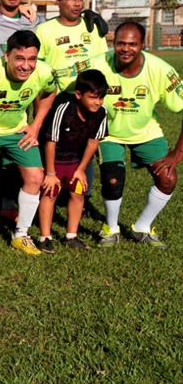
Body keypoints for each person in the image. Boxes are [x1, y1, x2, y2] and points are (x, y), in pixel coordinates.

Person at [74, 22, 183, 249]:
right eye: (121, 43)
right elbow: (57, 82)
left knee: (168, 178)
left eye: (133, 44)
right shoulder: (96, 64)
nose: (126, 49)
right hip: (108, 133)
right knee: (113, 180)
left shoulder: (161, 69)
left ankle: (141, 228)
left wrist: (177, 154)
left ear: (143, 45)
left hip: (146, 131)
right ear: (114, 43)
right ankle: (111, 229)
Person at [0, 31, 57, 256]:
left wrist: (35, 125)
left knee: (35, 177)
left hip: (17, 131)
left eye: (32, 59)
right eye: (20, 59)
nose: (26, 66)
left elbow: (50, 91)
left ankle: (20, 234)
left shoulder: (45, 72)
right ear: (7, 56)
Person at [36, 69, 108, 253]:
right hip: (54, 158)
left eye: (100, 98)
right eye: (92, 97)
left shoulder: (102, 113)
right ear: (78, 94)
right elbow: (50, 143)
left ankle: (71, 236)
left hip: (75, 160)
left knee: (78, 192)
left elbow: (93, 142)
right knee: (50, 192)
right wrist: (50, 173)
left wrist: (81, 169)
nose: (97, 102)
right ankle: (45, 237)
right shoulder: (63, 110)